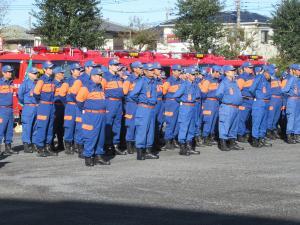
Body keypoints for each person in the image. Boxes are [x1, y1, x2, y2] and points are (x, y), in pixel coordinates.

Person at [76, 67, 110, 166]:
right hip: (91, 116)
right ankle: (88, 157)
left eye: (101, 76)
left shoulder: (100, 87)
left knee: (101, 137)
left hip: (102, 115)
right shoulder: (86, 87)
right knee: (90, 136)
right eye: (99, 76)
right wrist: (87, 110)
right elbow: (79, 101)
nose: (101, 77)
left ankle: (99, 156)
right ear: (93, 76)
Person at [129, 63, 159, 160]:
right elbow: (133, 94)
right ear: (145, 71)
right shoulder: (141, 81)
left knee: (150, 130)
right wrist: (142, 101)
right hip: (143, 108)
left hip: (151, 109)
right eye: (150, 70)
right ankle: (140, 152)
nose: (152, 72)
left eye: (153, 70)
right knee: (142, 130)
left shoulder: (154, 81)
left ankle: (148, 151)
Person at [173, 67, 200, 156]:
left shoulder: (195, 85)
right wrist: (183, 101)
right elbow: (176, 96)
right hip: (185, 107)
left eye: (195, 74)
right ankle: (182, 148)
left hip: (193, 107)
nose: (194, 76)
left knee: (191, 127)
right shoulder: (184, 85)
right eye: (192, 74)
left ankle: (189, 147)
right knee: (184, 127)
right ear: (188, 75)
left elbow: (197, 96)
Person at [216, 65, 244, 151]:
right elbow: (218, 94)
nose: (233, 72)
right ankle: (223, 144)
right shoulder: (224, 83)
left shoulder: (234, 82)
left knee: (234, 126)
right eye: (231, 71)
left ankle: (232, 142)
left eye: (234, 70)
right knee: (225, 125)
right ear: (226, 72)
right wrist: (226, 100)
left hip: (236, 107)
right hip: (227, 107)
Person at [33, 61, 57, 157]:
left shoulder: (51, 80)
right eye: (50, 68)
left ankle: (48, 147)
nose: (51, 70)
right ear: (44, 70)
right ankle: (40, 147)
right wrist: (41, 101)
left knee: (50, 127)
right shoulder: (41, 80)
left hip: (51, 106)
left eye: (52, 68)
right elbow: (36, 93)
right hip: (44, 106)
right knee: (42, 127)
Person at [102, 59, 125, 155]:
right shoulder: (105, 77)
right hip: (110, 102)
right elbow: (101, 92)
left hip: (119, 103)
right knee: (108, 124)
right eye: (115, 65)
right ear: (110, 66)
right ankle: (107, 146)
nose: (117, 66)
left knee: (117, 124)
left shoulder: (118, 77)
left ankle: (115, 145)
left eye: (117, 65)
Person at [61, 63, 83, 155]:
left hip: (78, 106)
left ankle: (77, 145)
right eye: (77, 70)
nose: (79, 71)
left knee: (79, 126)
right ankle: (68, 145)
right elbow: (61, 94)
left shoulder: (82, 81)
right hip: (70, 106)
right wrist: (66, 104)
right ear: (72, 71)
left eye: (79, 70)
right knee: (69, 126)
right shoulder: (67, 82)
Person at [249, 65, 272, 148]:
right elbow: (251, 89)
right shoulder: (259, 77)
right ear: (264, 71)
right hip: (259, 102)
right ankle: (255, 139)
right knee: (257, 122)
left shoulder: (268, 80)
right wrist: (257, 96)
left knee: (264, 122)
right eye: (268, 72)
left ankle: (261, 139)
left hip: (266, 103)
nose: (269, 74)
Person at [123, 61, 143, 154]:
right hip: (131, 104)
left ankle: (135, 144)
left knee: (138, 124)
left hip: (139, 104)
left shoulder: (141, 79)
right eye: (140, 68)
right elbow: (125, 92)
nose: (141, 69)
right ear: (135, 69)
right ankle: (129, 146)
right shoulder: (129, 79)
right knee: (131, 125)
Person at [17, 67, 39, 153]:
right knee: (27, 126)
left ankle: (33, 143)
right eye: (34, 73)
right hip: (28, 107)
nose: (36, 75)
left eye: (36, 73)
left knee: (35, 126)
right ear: (29, 74)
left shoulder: (37, 83)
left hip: (36, 107)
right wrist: (26, 102)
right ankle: (26, 144)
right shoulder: (25, 84)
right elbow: (20, 95)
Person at [162, 64, 182, 150]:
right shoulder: (168, 81)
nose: (179, 72)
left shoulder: (181, 81)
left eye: (179, 71)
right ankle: (168, 141)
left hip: (178, 103)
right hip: (170, 103)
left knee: (177, 123)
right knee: (170, 123)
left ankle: (174, 139)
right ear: (173, 71)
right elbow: (163, 92)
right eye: (177, 70)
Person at [201, 65, 222, 146]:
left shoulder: (218, 81)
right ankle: (205, 137)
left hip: (216, 102)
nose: (218, 74)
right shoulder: (207, 81)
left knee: (214, 120)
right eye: (217, 72)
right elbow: (203, 94)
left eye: (219, 72)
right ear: (212, 71)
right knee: (208, 120)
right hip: (209, 102)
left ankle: (211, 136)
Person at [281, 64, 300, 144]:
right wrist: (291, 94)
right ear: (294, 70)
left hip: (298, 101)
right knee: (291, 118)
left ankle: (296, 134)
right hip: (292, 100)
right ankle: (289, 136)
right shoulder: (292, 79)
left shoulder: (298, 79)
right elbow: (284, 90)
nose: (299, 72)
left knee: (298, 118)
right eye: (298, 70)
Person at [237, 62, 255, 143]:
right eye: (249, 67)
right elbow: (238, 90)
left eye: (251, 68)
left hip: (253, 100)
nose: (251, 69)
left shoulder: (253, 77)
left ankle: (247, 133)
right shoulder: (241, 77)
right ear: (244, 68)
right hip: (245, 100)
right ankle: (240, 134)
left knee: (250, 118)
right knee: (242, 118)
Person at [0, 65, 16, 155]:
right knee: (0, 129)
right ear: (3, 73)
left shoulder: (11, 83)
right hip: (2, 110)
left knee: (9, 129)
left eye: (11, 72)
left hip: (10, 109)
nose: (10, 73)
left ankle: (8, 148)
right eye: (8, 72)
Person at [266, 65, 283, 139]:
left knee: (276, 116)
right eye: (274, 68)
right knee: (271, 116)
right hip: (273, 99)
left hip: (279, 99)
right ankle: (268, 131)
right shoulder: (268, 79)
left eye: (276, 68)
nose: (276, 69)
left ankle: (274, 130)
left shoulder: (277, 78)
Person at [52, 66, 66, 151]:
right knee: (54, 127)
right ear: (57, 75)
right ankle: (51, 145)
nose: (63, 75)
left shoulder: (63, 83)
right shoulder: (52, 84)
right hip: (55, 107)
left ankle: (61, 144)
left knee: (61, 127)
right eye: (61, 73)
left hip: (62, 107)